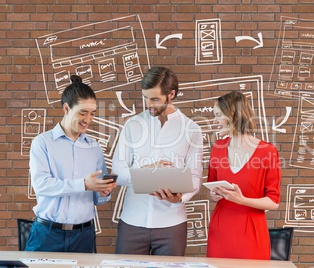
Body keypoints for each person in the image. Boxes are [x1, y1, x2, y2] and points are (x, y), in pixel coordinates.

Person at [112, 66, 203, 256]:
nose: (148, 104)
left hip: (172, 223)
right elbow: (117, 172)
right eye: (145, 97)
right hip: (132, 221)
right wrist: (146, 170)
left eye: (154, 99)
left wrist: (179, 198)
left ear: (171, 94)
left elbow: (195, 177)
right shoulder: (132, 125)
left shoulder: (192, 129)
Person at [26, 75, 117, 253]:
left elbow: (97, 199)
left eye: (92, 114)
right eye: (82, 112)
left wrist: (104, 191)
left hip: (83, 236)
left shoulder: (94, 147)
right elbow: (42, 185)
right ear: (66, 108)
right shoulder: (43, 142)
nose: (88, 120)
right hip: (47, 235)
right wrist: (83, 184)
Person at [206, 91, 281, 260]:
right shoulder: (218, 147)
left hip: (251, 229)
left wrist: (242, 200)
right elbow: (211, 187)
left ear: (233, 115)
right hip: (220, 229)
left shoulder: (267, 152)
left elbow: (273, 201)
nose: (214, 120)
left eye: (218, 115)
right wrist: (213, 194)